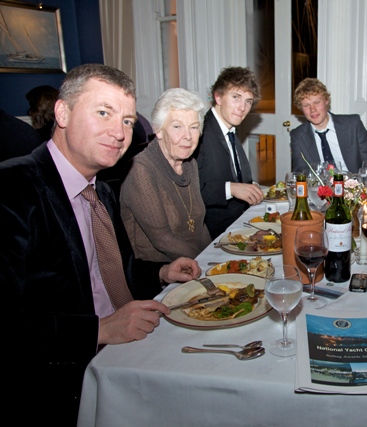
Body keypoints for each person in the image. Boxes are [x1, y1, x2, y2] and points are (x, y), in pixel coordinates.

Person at [0, 64, 202, 425]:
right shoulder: (12, 188)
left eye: (127, 121)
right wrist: (100, 330)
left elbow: (117, 272)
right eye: (104, 113)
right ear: (63, 113)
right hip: (63, 378)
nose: (119, 132)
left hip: (130, 346)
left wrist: (161, 272)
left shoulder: (102, 192)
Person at [120, 88, 211, 262]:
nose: (188, 136)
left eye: (194, 127)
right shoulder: (141, 169)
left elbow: (200, 226)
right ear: (159, 130)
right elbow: (162, 239)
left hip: (194, 261)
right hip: (158, 269)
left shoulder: (190, 164)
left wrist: (216, 257)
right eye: (177, 126)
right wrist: (206, 262)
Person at [195, 66, 264, 239]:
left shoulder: (230, 129)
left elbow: (233, 174)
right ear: (218, 97)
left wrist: (250, 186)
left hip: (240, 221)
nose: (242, 107)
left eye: (248, 101)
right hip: (214, 232)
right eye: (236, 97)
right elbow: (189, 191)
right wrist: (230, 188)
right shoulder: (199, 132)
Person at [290, 78, 367, 174]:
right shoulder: (298, 136)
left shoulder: (353, 125)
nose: (313, 110)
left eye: (317, 103)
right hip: (320, 183)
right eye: (306, 105)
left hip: (355, 181)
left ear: (326, 101)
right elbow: (301, 171)